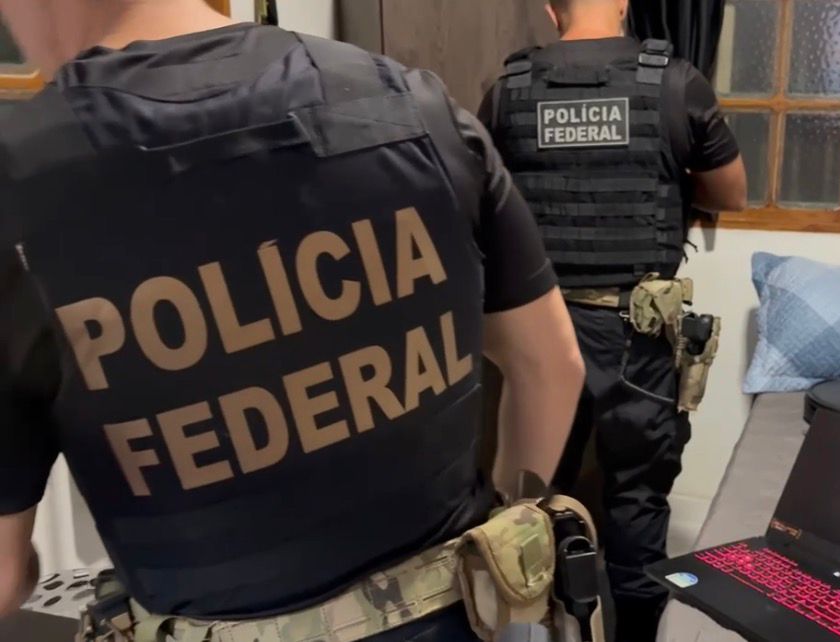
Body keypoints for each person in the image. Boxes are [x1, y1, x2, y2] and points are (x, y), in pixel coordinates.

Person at [0, 1, 587, 641]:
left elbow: (3, 575)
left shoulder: (18, 184)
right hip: (459, 620)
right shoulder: (416, 106)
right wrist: (503, 533)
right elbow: (551, 365)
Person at [479, 1, 747, 639]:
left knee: (533, 497)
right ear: (625, 3)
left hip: (539, 332)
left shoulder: (508, 91)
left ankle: (539, 627)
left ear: (552, 9)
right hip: (637, 335)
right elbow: (731, 193)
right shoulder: (675, 82)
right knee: (637, 495)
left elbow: (483, 201)